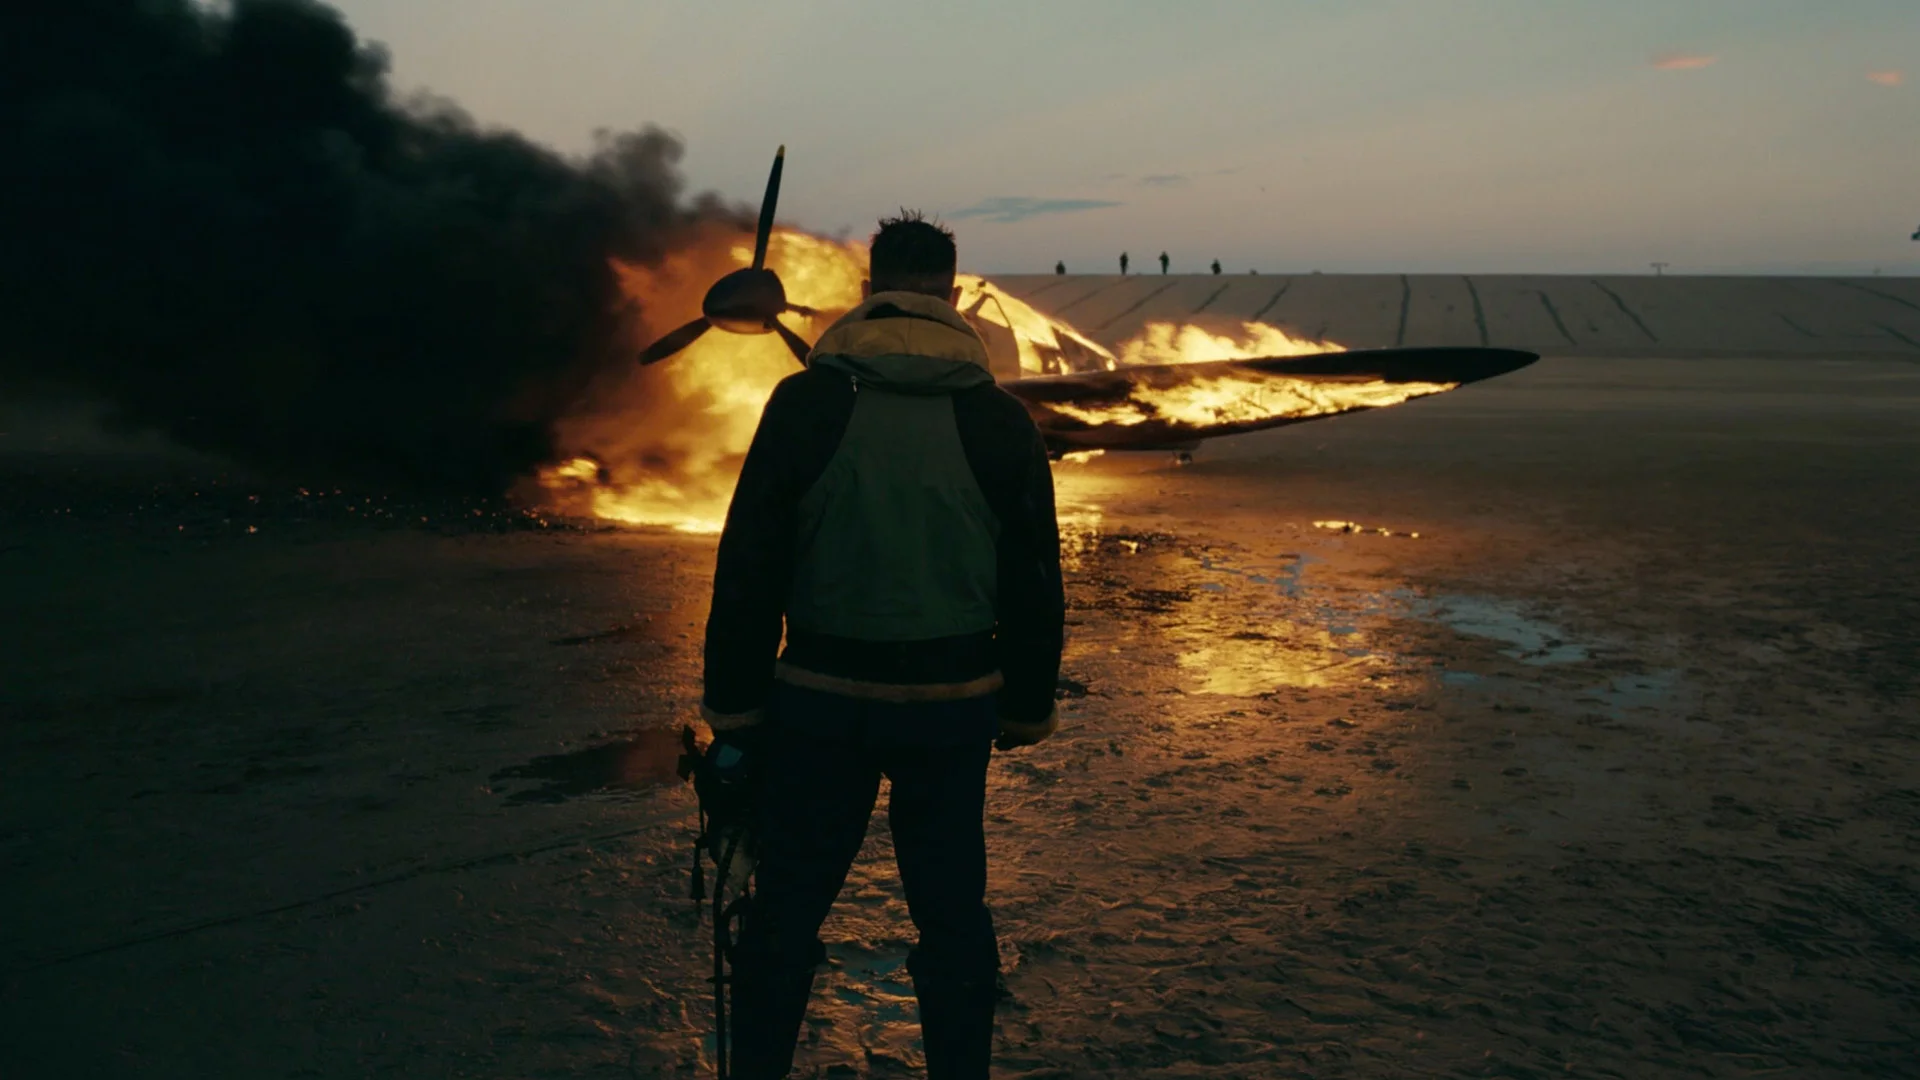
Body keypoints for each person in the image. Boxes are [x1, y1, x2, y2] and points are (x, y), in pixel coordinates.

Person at [701, 210, 1066, 1079]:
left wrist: (737, 711)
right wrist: (1025, 705)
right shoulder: (1002, 419)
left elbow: (748, 564)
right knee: (951, 917)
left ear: (868, 291)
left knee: (784, 910)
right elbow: (1034, 578)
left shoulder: (802, 402)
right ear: (951, 294)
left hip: (818, 703)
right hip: (951, 710)